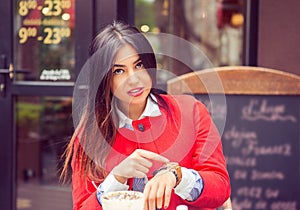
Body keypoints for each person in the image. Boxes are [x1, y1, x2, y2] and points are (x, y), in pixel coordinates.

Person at [61, 21, 231, 210]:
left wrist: (177, 176)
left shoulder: (191, 112)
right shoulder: (89, 136)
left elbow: (220, 187)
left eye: (139, 65)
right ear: (103, 79)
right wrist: (117, 178)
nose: (134, 79)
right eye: (119, 71)